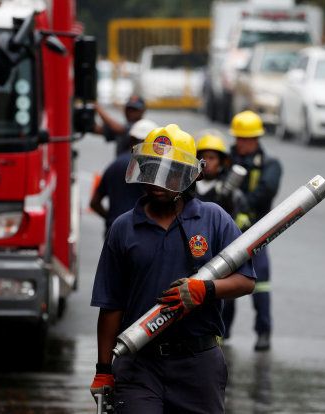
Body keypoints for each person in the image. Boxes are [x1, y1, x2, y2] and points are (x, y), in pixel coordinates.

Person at [89, 124, 256, 413]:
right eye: (151, 169)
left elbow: (246, 280)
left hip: (198, 364)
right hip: (138, 363)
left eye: (169, 172)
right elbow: (111, 305)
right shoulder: (123, 228)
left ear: (189, 175)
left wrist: (205, 289)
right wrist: (103, 368)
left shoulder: (213, 218)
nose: (157, 180)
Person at [227, 110, 282, 351]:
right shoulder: (226, 160)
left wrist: (242, 203)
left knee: (261, 286)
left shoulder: (270, 165)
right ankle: (222, 332)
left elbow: (266, 191)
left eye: (247, 139)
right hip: (228, 234)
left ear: (257, 139)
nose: (242, 144)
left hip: (257, 233)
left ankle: (264, 333)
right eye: (239, 138)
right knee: (225, 285)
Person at [89, 118, 159, 235]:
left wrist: (111, 219)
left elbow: (94, 203)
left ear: (130, 138)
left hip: (113, 232)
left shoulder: (114, 165)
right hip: (140, 234)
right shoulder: (150, 167)